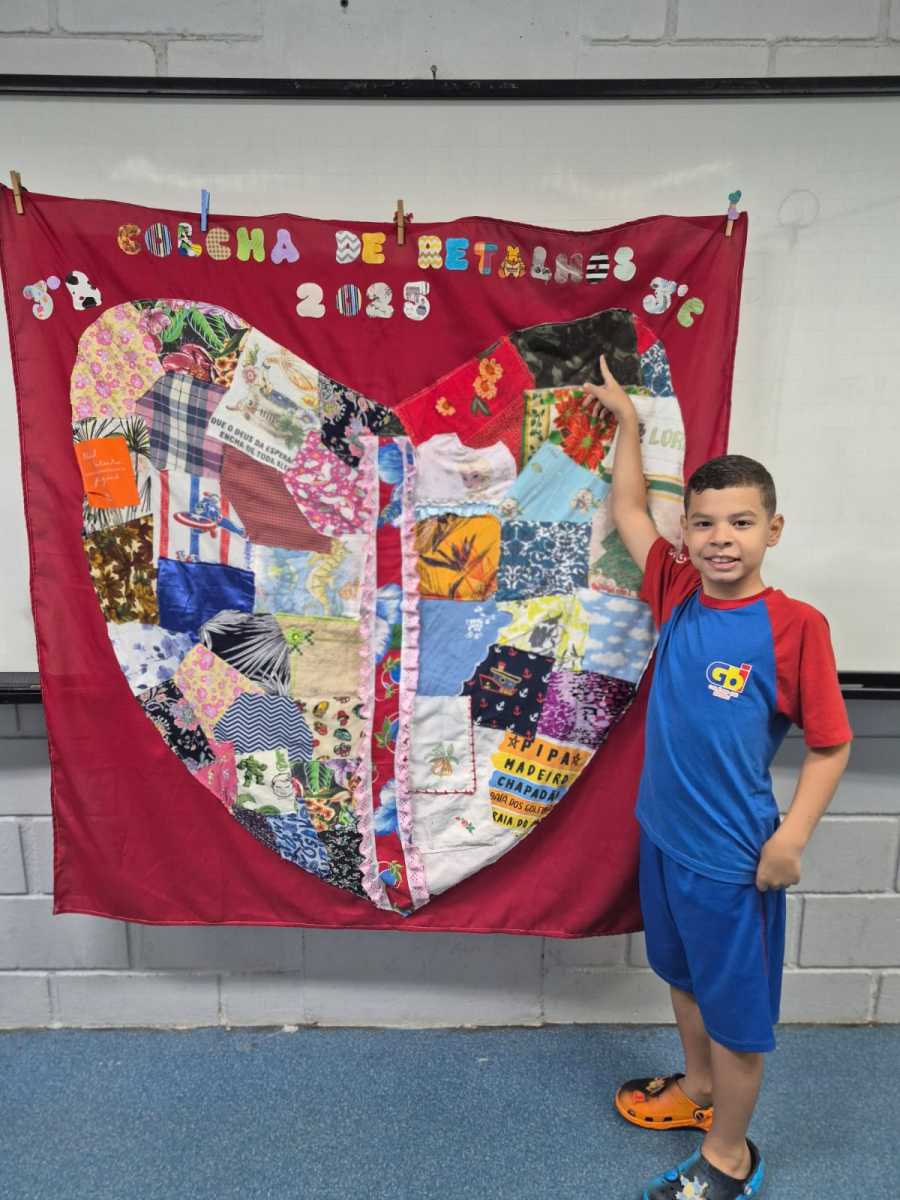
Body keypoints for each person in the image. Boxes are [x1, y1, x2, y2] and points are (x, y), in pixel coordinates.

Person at [582, 357, 853, 1200]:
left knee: (738, 1020)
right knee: (683, 977)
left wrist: (791, 839)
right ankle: (697, 1089)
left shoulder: (796, 627)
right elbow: (630, 509)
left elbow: (831, 745)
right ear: (689, 533)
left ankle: (730, 1157)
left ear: (774, 529)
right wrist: (629, 424)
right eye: (704, 523)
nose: (721, 538)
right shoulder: (675, 589)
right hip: (663, 840)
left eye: (741, 521)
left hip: (733, 862)